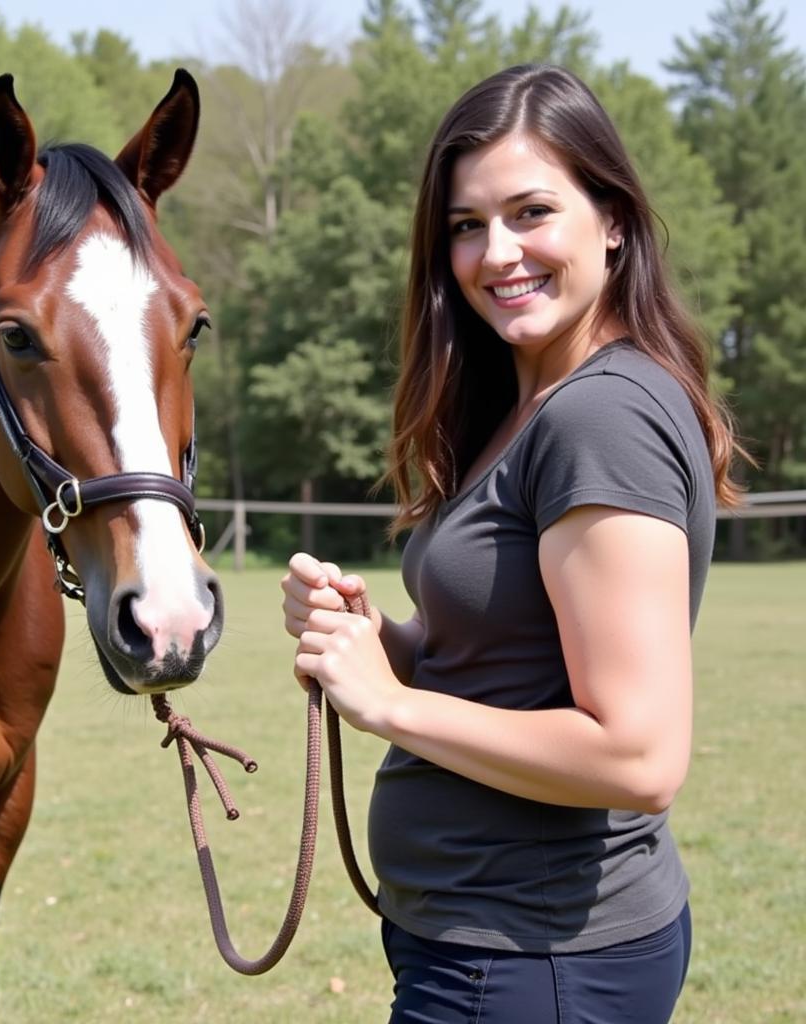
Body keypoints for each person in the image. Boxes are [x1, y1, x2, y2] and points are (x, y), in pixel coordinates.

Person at [280, 64, 743, 1024]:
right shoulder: (527, 405)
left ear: (612, 218)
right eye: (467, 224)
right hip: (484, 947)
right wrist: (378, 642)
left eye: (531, 212)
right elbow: (514, 663)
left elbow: (637, 754)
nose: (497, 253)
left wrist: (388, 706)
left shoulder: (601, 417)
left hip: (536, 963)